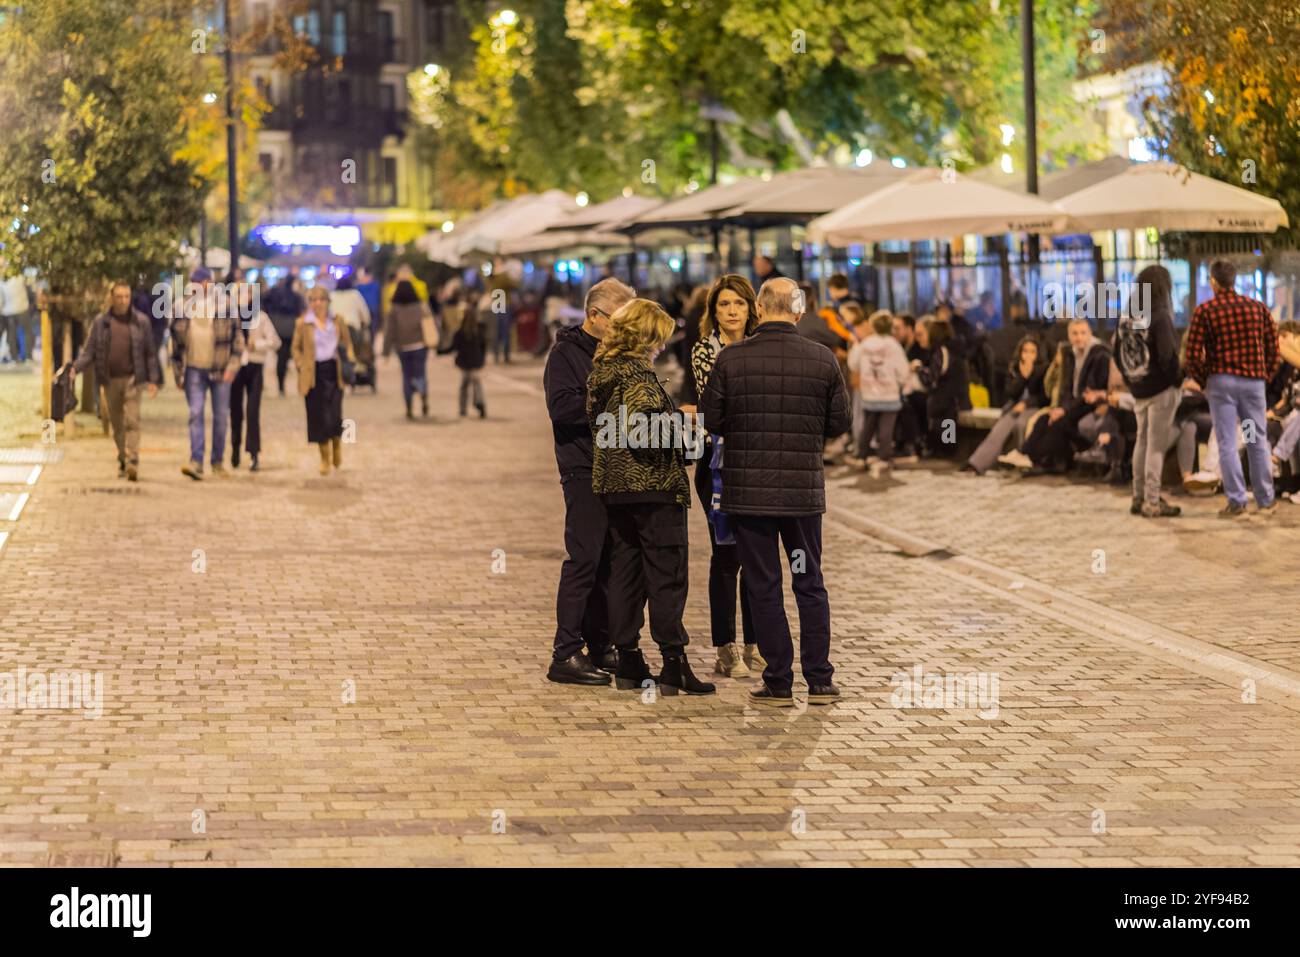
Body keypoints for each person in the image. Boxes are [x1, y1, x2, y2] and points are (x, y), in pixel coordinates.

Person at [700, 278, 851, 708]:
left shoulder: (731, 358)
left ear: (760, 310)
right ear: (799, 312)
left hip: (749, 496)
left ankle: (778, 680)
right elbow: (840, 423)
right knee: (809, 583)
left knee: (764, 585)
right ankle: (820, 680)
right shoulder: (822, 358)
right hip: (802, 497)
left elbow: (712, 418)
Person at [588, 298, 714, 696]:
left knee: (626, 572)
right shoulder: (638, 378)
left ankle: (628, 658)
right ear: (644, 337)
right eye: (658, 338)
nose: (662, 345)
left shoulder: (604, 372)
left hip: (616, 487)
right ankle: (673, 661)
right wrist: (686, 422)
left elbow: (609, 429)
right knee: (666, 575)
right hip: (654, 486)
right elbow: (642, 433)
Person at [543, 277, 635, 686]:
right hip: (582, 468)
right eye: (617, 320)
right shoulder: (566, 353)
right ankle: (565, 652)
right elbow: (562, 409)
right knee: (583, 559)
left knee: (608, 562)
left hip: (616, 467)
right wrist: (610, 401)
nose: (623, 329)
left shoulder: (619, 352)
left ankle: (601, 644)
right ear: (594, 316)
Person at [682, 274, 761, 678]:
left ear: (752, 308)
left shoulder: (762, 345)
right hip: (716, 463)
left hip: (756, 462)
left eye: (739, 304)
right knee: (726, 555)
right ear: (713, 311)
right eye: (724, 305)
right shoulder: (704, 350)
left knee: (757, 556)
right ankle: (725, 645)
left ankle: (755, 642)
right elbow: (715, 405)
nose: (732, 311)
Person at [1182, 259, 1280, 518]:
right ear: (1234, 280)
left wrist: (1204, 380)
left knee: (1226, 441)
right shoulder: (1257, 308)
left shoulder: (1205, 311)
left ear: (1213, 281)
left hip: (1222, 384)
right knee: (1254, 437)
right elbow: (1274, 348)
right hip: (1252, 385)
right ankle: (1265, 500)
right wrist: (1264, 375)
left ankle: (1237, 501)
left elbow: (1192, 354)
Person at [68, 282, 161, 480]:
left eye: (127, 296)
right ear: (112, 298)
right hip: (109, 380)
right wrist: (75, 368)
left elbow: (150, 352)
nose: (123, 300)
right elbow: (90, 351)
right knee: (117, 424)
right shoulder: (101, 322)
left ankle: (132, 461)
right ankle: (122, 457)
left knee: (132, 421)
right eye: (119, 296)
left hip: (133, 380)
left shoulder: (140, 322)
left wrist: (153, 379)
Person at [999, 318, 1111, 473]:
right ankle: (1024, 454)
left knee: (1059, 424)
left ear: (1090, 334)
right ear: (1069, 336)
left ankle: (1031, 457)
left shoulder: (1099, 355)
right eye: (1074, 333)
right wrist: (1060, 408)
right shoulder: (1071, 354)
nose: (1078, 337)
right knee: (1044, 419)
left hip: (1093, 405)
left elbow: (1089, 393)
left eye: (1083, 333)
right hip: (1075, 405)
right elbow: (1063, 387)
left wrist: (1064, 411)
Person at [1115, 264, 1182, 517]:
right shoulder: (1160, 315)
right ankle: (1152, 501)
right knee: (1156, 445)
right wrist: (1178, 378)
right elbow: (1167, 355)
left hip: (1139, 389)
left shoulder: (1127, 315)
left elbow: (1117, 354)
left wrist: (1132, 381)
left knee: (1141, 441)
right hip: (1161, 389)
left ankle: (1138, 495)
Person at [171, 268, 245, 481]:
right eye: (197, 282)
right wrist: (178, 373)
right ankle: (196, 461)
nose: (201, 286)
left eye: (205, 282)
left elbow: (237, 340)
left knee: (221, 416)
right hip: (193, 368)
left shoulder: (226, 305)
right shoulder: (181, 306)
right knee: (195, 413)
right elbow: (175, 343)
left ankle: (218, 461)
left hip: (220, 370)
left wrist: (232, 366)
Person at [292, 284, 357, 475]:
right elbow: (295, 348)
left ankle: (337, 444)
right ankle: (324, 457)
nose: (317, 304)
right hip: (313, 373)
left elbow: (347, 344)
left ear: (328, 301)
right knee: (318, 417)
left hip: (334, 371)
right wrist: (300, 363)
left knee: (335, 413)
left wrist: (349, 362)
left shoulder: (337, 321)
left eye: (321, 299)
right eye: (313, 300)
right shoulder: (303, 323)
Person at [965, 336, 1046, 475]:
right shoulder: (1014, 368)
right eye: (1025, 351)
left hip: (1035, 408)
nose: (1028, 355)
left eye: (1032, 351)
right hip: (1015, 408)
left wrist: (1026, 402)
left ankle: (1023, 463)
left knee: (1021, 424)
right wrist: (1023, 377)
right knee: (1000, 427)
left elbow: (1044, 396)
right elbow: (1010, 393)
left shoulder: (1044, 369)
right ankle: (976, 464)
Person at [848, 309, 910, 477]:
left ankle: (862, 456)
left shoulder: (865, 344)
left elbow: (853, 364)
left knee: (868, 427)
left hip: (869, 392)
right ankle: (884, 458)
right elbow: (903, 370)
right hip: (889, 393)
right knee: (886, 428)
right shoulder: (894, 346)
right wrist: (901, 382)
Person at [229, 280, 280, 471]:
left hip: (255, 366)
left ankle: (253, 453)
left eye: (247, 293)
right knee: (235, 411)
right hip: (235, 367)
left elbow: (275, 341)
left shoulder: (261, 317)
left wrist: (256, 345)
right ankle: (234, 449)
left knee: (252, 411)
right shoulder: (230, 317)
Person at [914, 314, 970, 457]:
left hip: (949, 401)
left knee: (943, 420)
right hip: (954, 399)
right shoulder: (951, 349)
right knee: (945, 419)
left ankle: (945, 450)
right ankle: (945, 449)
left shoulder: (941, 351)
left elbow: (931, 380)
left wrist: (918, 369)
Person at [382, 279, 434, 419]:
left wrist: (386, 351)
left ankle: (409, 407)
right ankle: (423, 397)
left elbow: (390, 332)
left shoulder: (394, 309)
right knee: (420, 374)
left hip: (403, 348)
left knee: (406, 376)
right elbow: (429, 325)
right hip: (420, 346)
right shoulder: (420, 306)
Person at [437, 307, 487, 417]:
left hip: (464, 363)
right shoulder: (479, 331)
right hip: (476, 362)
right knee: (477, 383)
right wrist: (482, 359)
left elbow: (452, 348)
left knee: (464, 386)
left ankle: (463, 408)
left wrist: (440, 351)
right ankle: (480, 402)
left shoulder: (459, 333)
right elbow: (483, 347)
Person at [264, 271, 304, 397]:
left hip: (279, 328)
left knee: (282, 359)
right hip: (290, 330)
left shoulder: (275, 293)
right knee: (290, 357)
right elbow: (299, 311)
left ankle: (281, 385)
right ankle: (293, 385)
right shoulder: (296, 297)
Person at [0, 261, 32, 363]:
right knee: (26, 334)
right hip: (23, 309)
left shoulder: (2, 280)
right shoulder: (20, 277)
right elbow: (29, 291)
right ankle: (28, 357)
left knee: (12, 336)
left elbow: (1, 299)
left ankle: (14, 357)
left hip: (8, 312)